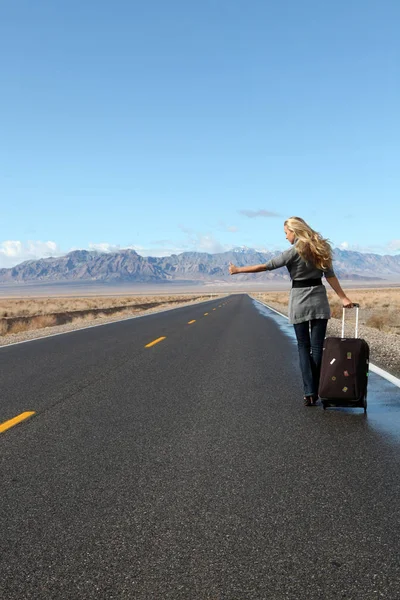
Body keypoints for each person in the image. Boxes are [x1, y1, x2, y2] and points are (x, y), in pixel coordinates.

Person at [229, 216, 353, 406]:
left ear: (295, 231)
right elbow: (330, 276)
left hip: (299, 301)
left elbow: (265, 266)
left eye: (286, 233)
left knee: (303, 346)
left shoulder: (293, 252)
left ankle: (310, 393)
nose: (286, 237)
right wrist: (343, 297)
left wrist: (238, 270)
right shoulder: (321, 248)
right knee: (317, 347)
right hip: (319, 299)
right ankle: (318, 389)